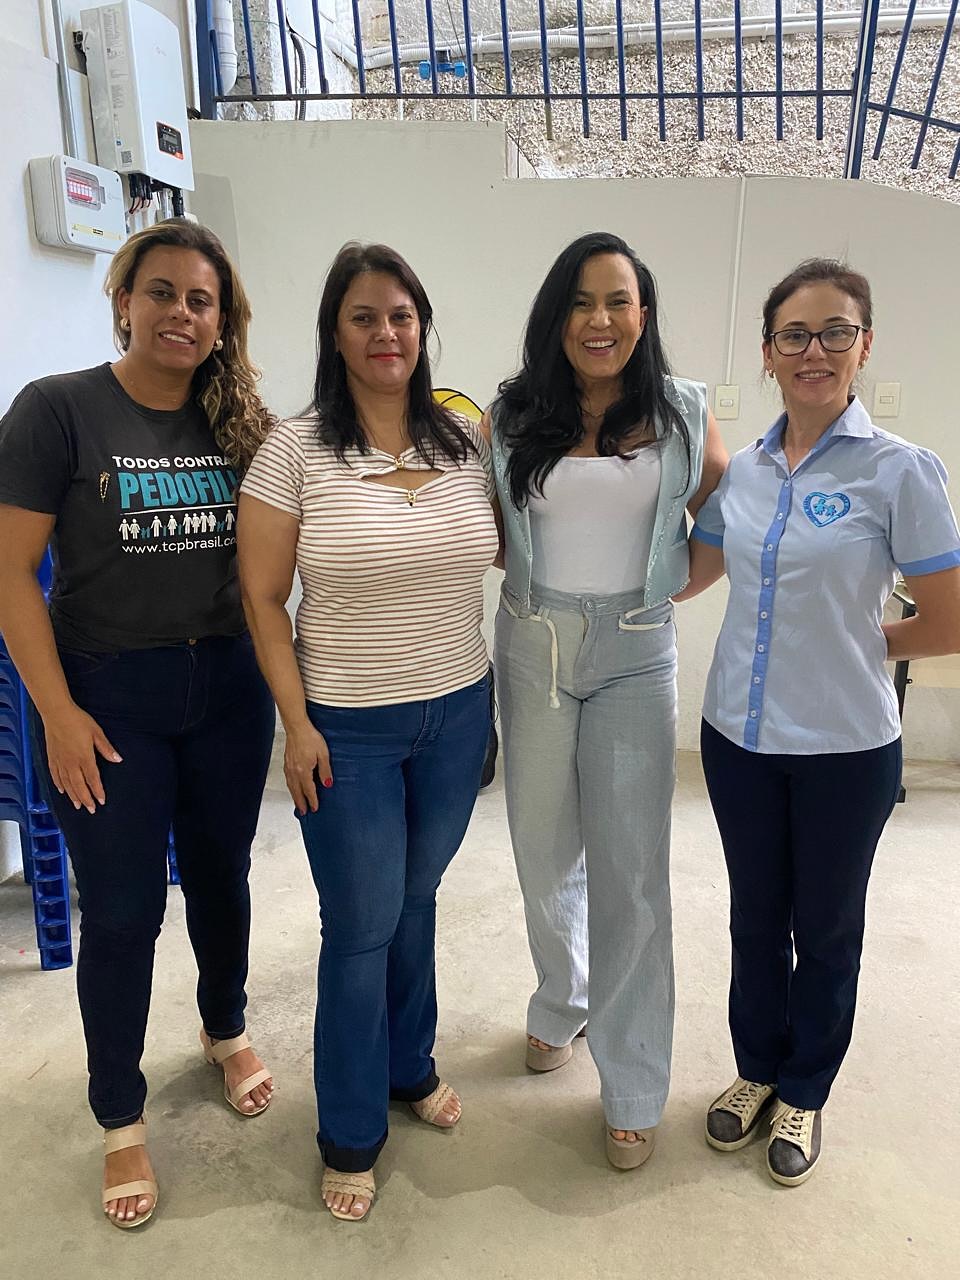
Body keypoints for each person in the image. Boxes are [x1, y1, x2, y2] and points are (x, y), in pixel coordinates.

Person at [0, 220, 278, 1227]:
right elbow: (10, 575)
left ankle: (224, 1025)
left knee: (222, 878)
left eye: (202, 300)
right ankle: (120, 1111)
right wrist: (57, 712)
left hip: (229, 690)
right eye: (162, 292)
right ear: (123, 300)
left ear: (222, 320)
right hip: (108, 700)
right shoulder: (57, 410)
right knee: (122, 913)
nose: (181, 313)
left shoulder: (241, 422)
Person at [682, 258, 960, 1186]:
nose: (815, 351)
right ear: (767, 353)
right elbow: (693, 573)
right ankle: (757, 1068)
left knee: (829, 927)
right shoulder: (745, 473)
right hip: (739, 739)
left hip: (846, 749)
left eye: (835, 331)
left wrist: (855, 643)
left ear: (864, 346)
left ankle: (806, 1086)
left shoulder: (901, 471)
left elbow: (948, 618)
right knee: (756, 918)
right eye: (794, 334)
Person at [237, 243, 499, 1221]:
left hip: (458, 710)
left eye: (401, 315)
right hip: (346, 727)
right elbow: (263, 599)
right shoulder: (294, 449)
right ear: (335, 333)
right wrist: (296, 723)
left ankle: (408, 1064)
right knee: (359, 925)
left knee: (416, 897)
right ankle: (350, 1131)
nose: (386, 333)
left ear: (422, 327)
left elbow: (512, 545)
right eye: (364, 316)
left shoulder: (464, 440)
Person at [488, 231, 726, 1169]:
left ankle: (632, 1081)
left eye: (619, 301)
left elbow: (725, 516)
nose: (601, 320)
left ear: (643, 313)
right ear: (557, 317)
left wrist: (670, 590)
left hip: (635, 649)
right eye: (582, 302)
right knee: (543, 850)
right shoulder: (511, 417)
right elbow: (496, 530)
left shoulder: (682, 412)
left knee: (632, 870)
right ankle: (563, 998)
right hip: (534, 642)